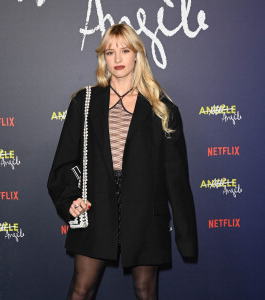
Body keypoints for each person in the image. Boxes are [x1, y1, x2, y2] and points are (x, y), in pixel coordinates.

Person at [47, 23, 198, 300]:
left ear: (137, 55)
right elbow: (63, 162)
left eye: (125, 50)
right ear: (103, 57)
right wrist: (70, 198)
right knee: (81, 290)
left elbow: (176, 178)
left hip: (145, 215)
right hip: (96, 209)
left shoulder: (162, 109)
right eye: (110, 51)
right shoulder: (84, 102)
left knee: (145, 292)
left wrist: (186, 239)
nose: (117, 58)